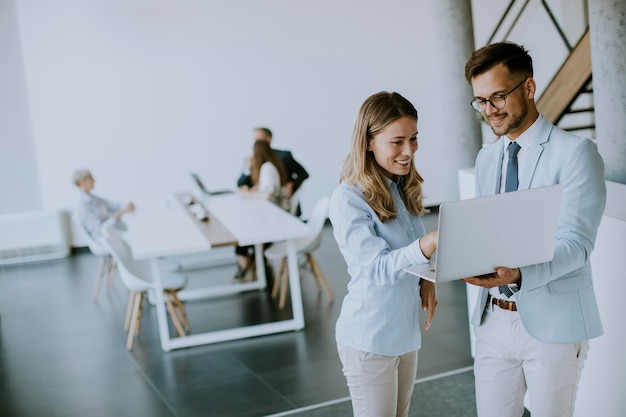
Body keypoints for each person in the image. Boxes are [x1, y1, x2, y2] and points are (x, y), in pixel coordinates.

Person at [462, 41, 606, 417]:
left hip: (554, 324)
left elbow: (577, 244)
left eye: (498, 97)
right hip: (493, 319)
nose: (489, 111)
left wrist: (521, 274)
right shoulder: (486, 158)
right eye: (481, 101)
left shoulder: (576, 153)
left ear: (529, 87)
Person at [328, 91, 438, 417]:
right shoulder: (348, 199)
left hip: (404, 336)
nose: (409, 151)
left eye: (414, 139)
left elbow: (411, 255)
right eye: (398, 141)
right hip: (369, 339)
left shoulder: (400, 187)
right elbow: (377, 268)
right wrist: (427, 244)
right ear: (368, 142)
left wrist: (428, 279)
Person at [234, 140, 291, 281]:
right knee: (244, 231)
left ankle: (247, 270)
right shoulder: (269, 166)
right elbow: (261, 188)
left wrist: (247, 194)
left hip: (275, 219)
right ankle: (250, 268)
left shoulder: (267, 168)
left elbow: (268, 195)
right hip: (272, 215)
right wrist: (250, 189)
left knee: (243, 234)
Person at [237, 127, 309, 215]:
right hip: (267, 205)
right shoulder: (254, 162)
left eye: (259, 140)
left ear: (268, 139)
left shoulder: (277, 161)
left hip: (278, 207)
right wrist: (247, 169)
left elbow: (304, 174)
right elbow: (240, 184)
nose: (255, 143)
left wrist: (291, 184)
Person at [72, 168, 136, 242]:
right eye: (90, 178)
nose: (94, 180)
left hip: (112, 232)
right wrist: (119, 215)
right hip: (103, 239)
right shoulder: (81, 208)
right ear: (81, 182)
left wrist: (126, 204)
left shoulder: (95, 198)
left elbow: (114, 205)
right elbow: (100, 230)